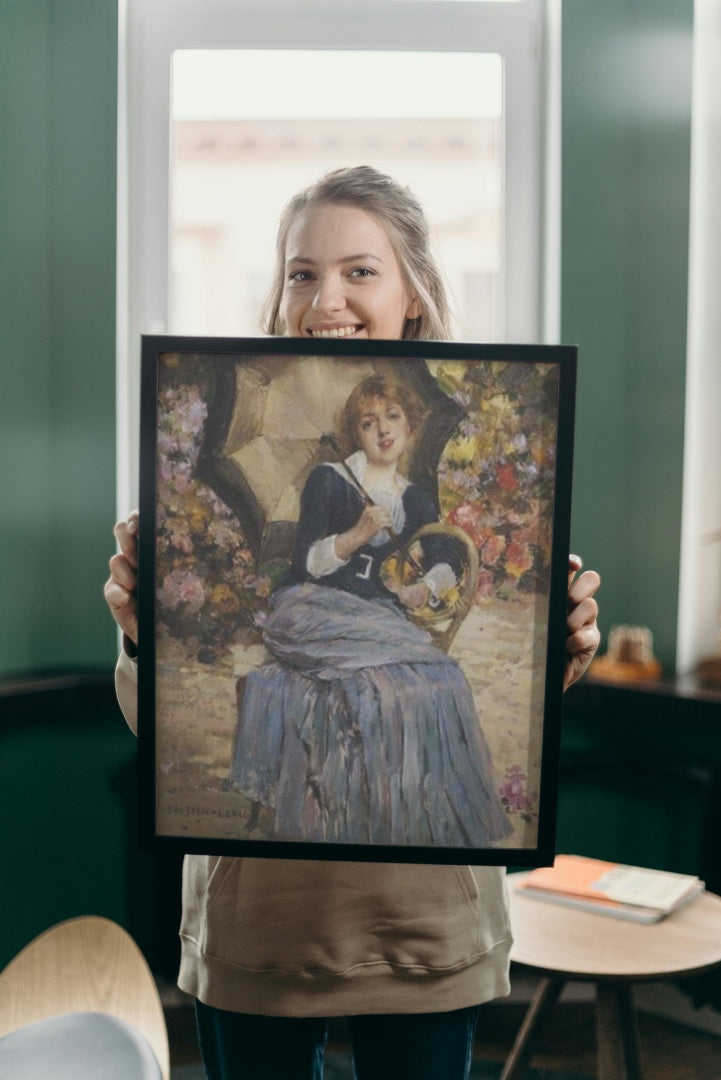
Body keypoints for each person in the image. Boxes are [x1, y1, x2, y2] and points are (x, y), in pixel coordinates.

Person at [105, 166, 601, 1080]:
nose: (324, 297)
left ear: (412, 293)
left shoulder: (420, 482)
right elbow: (171, 708)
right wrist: (143, 638)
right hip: (262, 926)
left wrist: (555, 657)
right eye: (301, 272)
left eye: (359, 271)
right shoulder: (327, 478)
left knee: (436, 679)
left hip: (422, 926)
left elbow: (419, 579)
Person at [226, 372, 512, 848]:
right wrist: (356, 535)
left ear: (410, 425)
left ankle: (401, 816)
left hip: (376, 615)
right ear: (353, 435)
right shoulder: (330, 480)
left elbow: (447, 558)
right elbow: (307, 564)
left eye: (393, 417)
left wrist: (424, 587)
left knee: (441, 679)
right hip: (311, 606)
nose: (383, 430)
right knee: (376, 680)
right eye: (368, 422)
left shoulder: (414, 497)